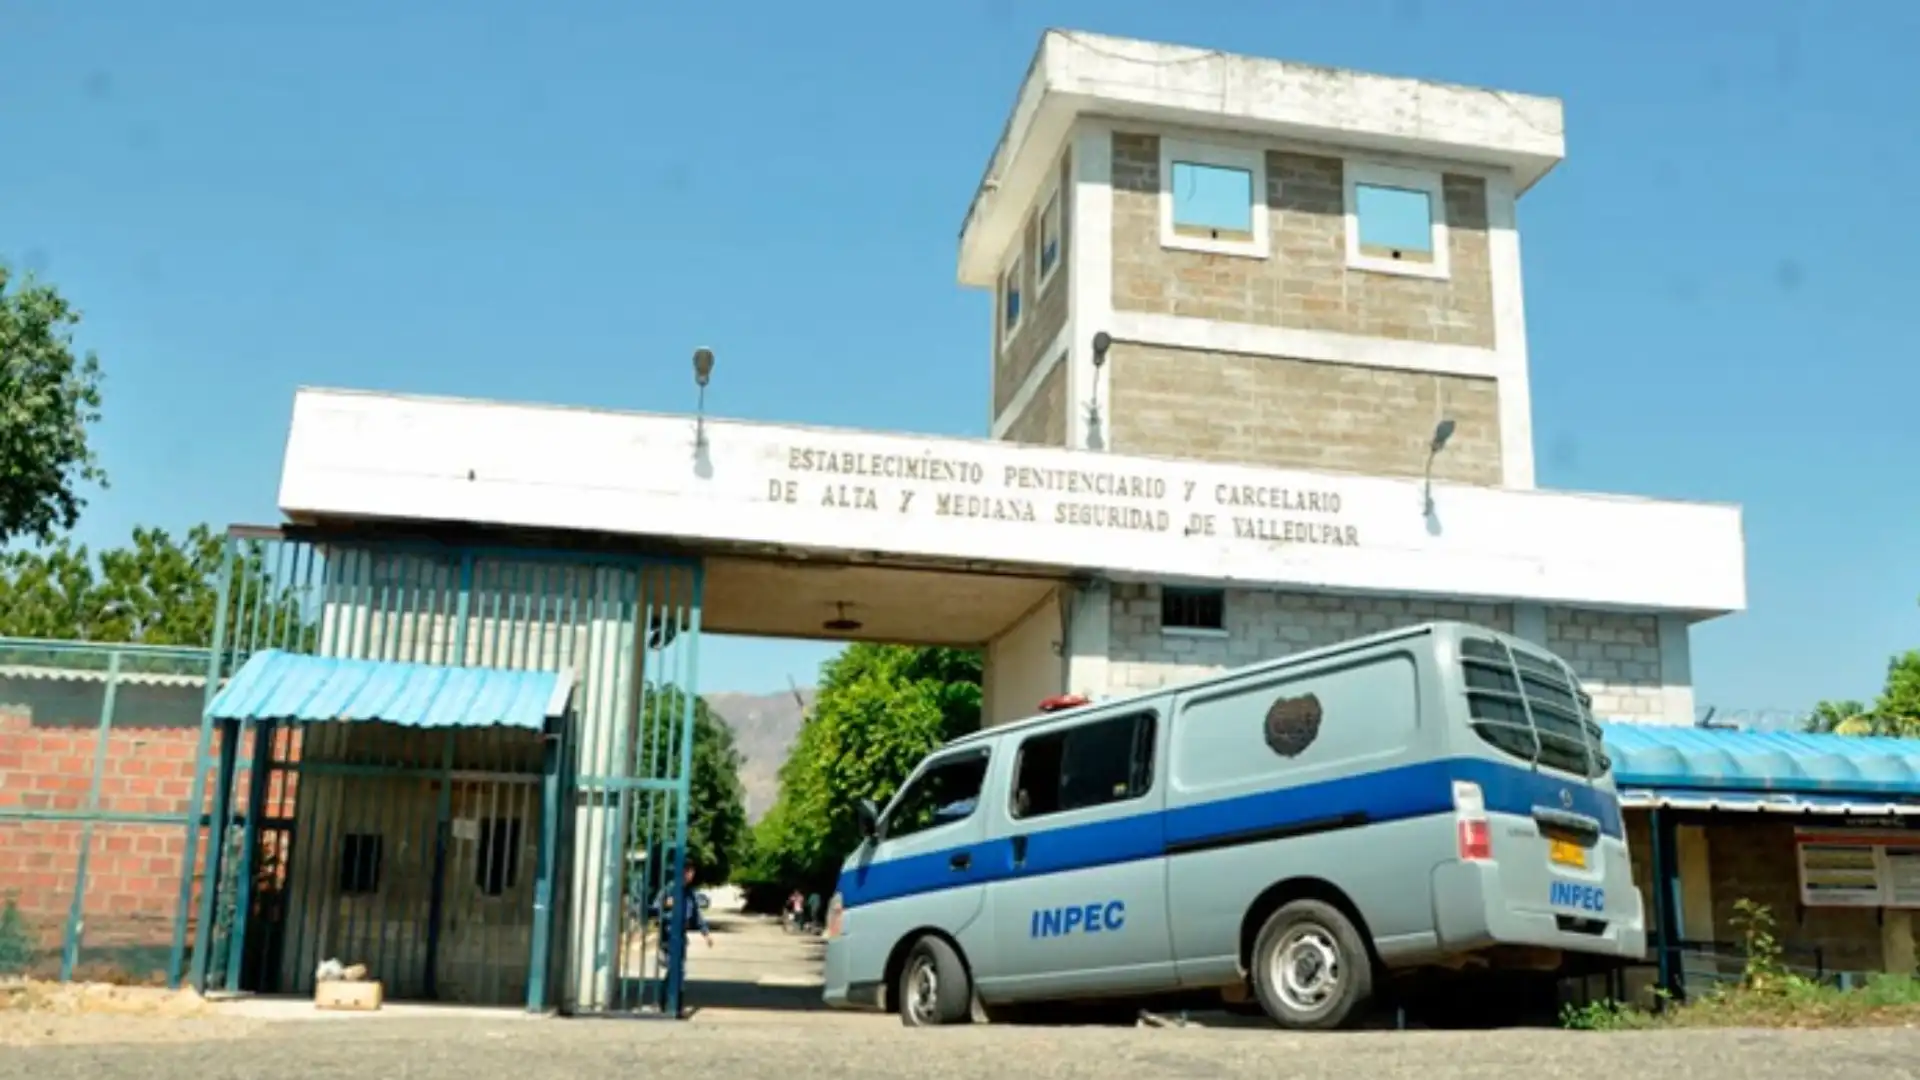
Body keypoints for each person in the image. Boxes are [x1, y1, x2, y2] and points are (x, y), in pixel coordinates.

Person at [654, 862, 713, 994]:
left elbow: (696, 915)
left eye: (692, 872)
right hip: (668, 934)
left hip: (680, 935)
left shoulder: (689, 893)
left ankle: (670, 1000)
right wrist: (665, 905)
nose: (690, 875)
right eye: (687, 871)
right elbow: (655, 908)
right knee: (675, 969)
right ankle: (670, 1000)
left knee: (678, 968)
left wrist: (706, 934)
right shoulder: (669, 889)